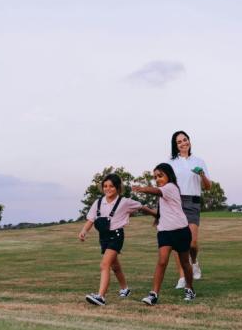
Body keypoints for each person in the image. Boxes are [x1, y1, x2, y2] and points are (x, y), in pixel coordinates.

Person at [79, 173, 156, 306]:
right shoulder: (98, 202)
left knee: (104, 265)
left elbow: (140, 206)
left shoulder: (124, 202)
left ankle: (101, 297)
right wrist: (84, 231)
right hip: (103, 238)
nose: (108, 189)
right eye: (105, 186)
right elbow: (91, 219)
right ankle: (125, 289)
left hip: (116, 236)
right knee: (115, 266)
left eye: (111, 186)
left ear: (118, 188)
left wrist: (155, 214)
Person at [132, 163, 196, 305]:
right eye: (155, 177)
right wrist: (143, 208)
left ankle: (190, 289)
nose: (158, 179)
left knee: (185, 263)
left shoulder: (171, 187)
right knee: (162, 262)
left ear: (169, 175)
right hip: (165, 232)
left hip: (181, 231)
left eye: (160, 176)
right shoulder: (162, 195)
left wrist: (141, 189)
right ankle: (153, 294)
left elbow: (156, 191)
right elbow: (159, 214)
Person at [166, 130, 212, 289]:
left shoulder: (199, 161)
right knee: (179, 243)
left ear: (189, 142)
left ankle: (194, 262)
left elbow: (208, 186)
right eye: (179, 142)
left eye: (185, 140)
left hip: (193, 202)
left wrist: (202, 175)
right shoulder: (171, 163)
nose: (183, 143)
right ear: (175, 146)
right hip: (177, 202)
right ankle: (182, 277)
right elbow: (166, 186)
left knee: (192, 243)